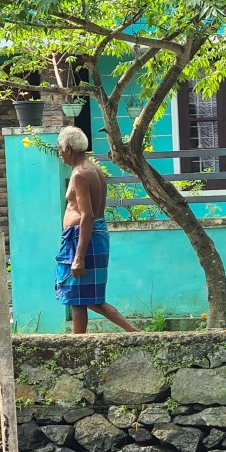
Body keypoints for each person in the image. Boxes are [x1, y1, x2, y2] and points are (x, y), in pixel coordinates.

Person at [56, 127, 137, 334]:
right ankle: (133, 332)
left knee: (80, 299)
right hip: (92, 235)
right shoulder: (93, 169)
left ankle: (79, 345)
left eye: (60, 149)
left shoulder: (80, 175)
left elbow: (87, 215)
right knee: (85, 298)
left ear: (68, 148)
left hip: (83, 238)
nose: (60, 154)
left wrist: (78, 257)